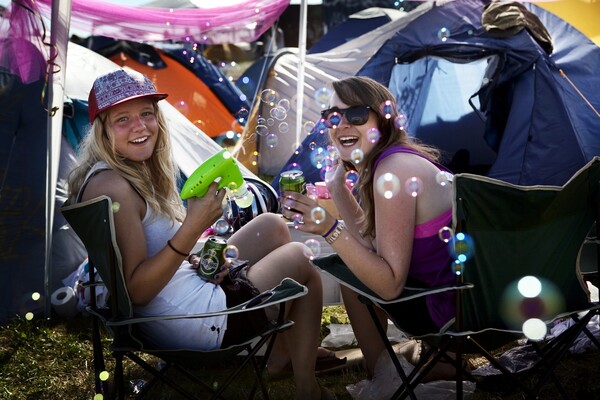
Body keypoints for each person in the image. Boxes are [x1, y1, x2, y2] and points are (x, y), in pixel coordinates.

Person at [66, 68, 336, 400]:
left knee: (273, 226)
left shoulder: (116, 175)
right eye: (122, 119)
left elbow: (150, 255)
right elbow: (137, 290)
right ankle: (307, 389)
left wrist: (198, 255)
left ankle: (282, 356)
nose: (139, 126)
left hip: (177, 301)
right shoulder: (116, 187)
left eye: (147, 114)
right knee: (300, 259)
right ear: (102, 131)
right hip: (194, 321)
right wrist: (194, 225)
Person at [281, 76, 458, 380]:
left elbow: (388, 284)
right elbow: (372, 247)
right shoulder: (395, 162)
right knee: (354, 264)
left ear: (383, 118)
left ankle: (385, 370)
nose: (342, 124)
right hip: (464, 298)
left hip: (450, 313)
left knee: (347, 268)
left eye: (357, 115)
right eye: (333, 116)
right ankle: (397, 362)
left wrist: (328, 227)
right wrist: (337, 187)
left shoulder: (394, 171)